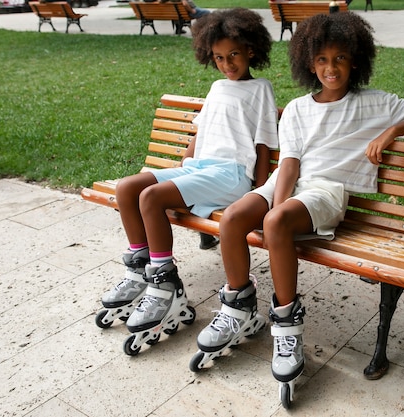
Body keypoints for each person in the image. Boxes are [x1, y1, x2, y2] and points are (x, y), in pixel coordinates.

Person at [195, 11, 404, 390]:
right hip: (288, 184)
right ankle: (238, 307)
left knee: (275, 222)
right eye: (323, 60)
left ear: (355, 60)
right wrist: (275, 203)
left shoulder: (375, 103)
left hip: (327, 192)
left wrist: (391, 132)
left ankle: (287, 326)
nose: (331, 68)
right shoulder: (297, 109)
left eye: (340, 58)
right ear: (309, 63)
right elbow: (289, 167)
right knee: (232, 218)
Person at [96, 8, 279, 352]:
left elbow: (264, 142)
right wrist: (182, 169)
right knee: (128, 187)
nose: (227, 64)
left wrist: (259, 189)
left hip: (231, 175)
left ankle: (164, 283)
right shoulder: (216, 86)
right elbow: (199, 133)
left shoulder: (261, 89)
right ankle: (139, 270)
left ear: (251, 50)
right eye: (219, 58)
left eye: (234, 55)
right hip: (199, 169)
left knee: (151, 198)